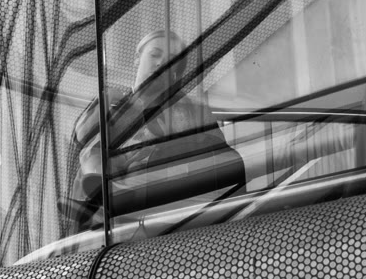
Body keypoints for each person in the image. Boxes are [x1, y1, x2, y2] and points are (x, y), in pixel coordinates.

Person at [67, 29, 246, 230]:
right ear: (137, 59)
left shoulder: (194, 110)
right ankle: (101, 197)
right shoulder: (114, 105)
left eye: (171, 61)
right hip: (122, 217)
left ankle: (109, 196)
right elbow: (83, 142)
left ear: (176, 73)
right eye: (154, 55)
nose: (161, 63)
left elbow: (223, 161)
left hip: (175, 200)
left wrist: (169, 150)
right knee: (90, 157)